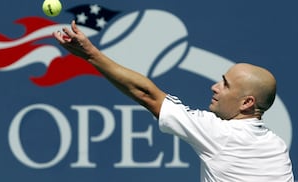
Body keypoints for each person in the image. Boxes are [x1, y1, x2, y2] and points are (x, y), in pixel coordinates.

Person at [53, 20, 294, 182]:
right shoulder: (276, 146)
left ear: (246, 103)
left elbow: (146, 94)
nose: (215, 87)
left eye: (225, 84)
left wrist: (91, 54)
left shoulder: (221, 134)